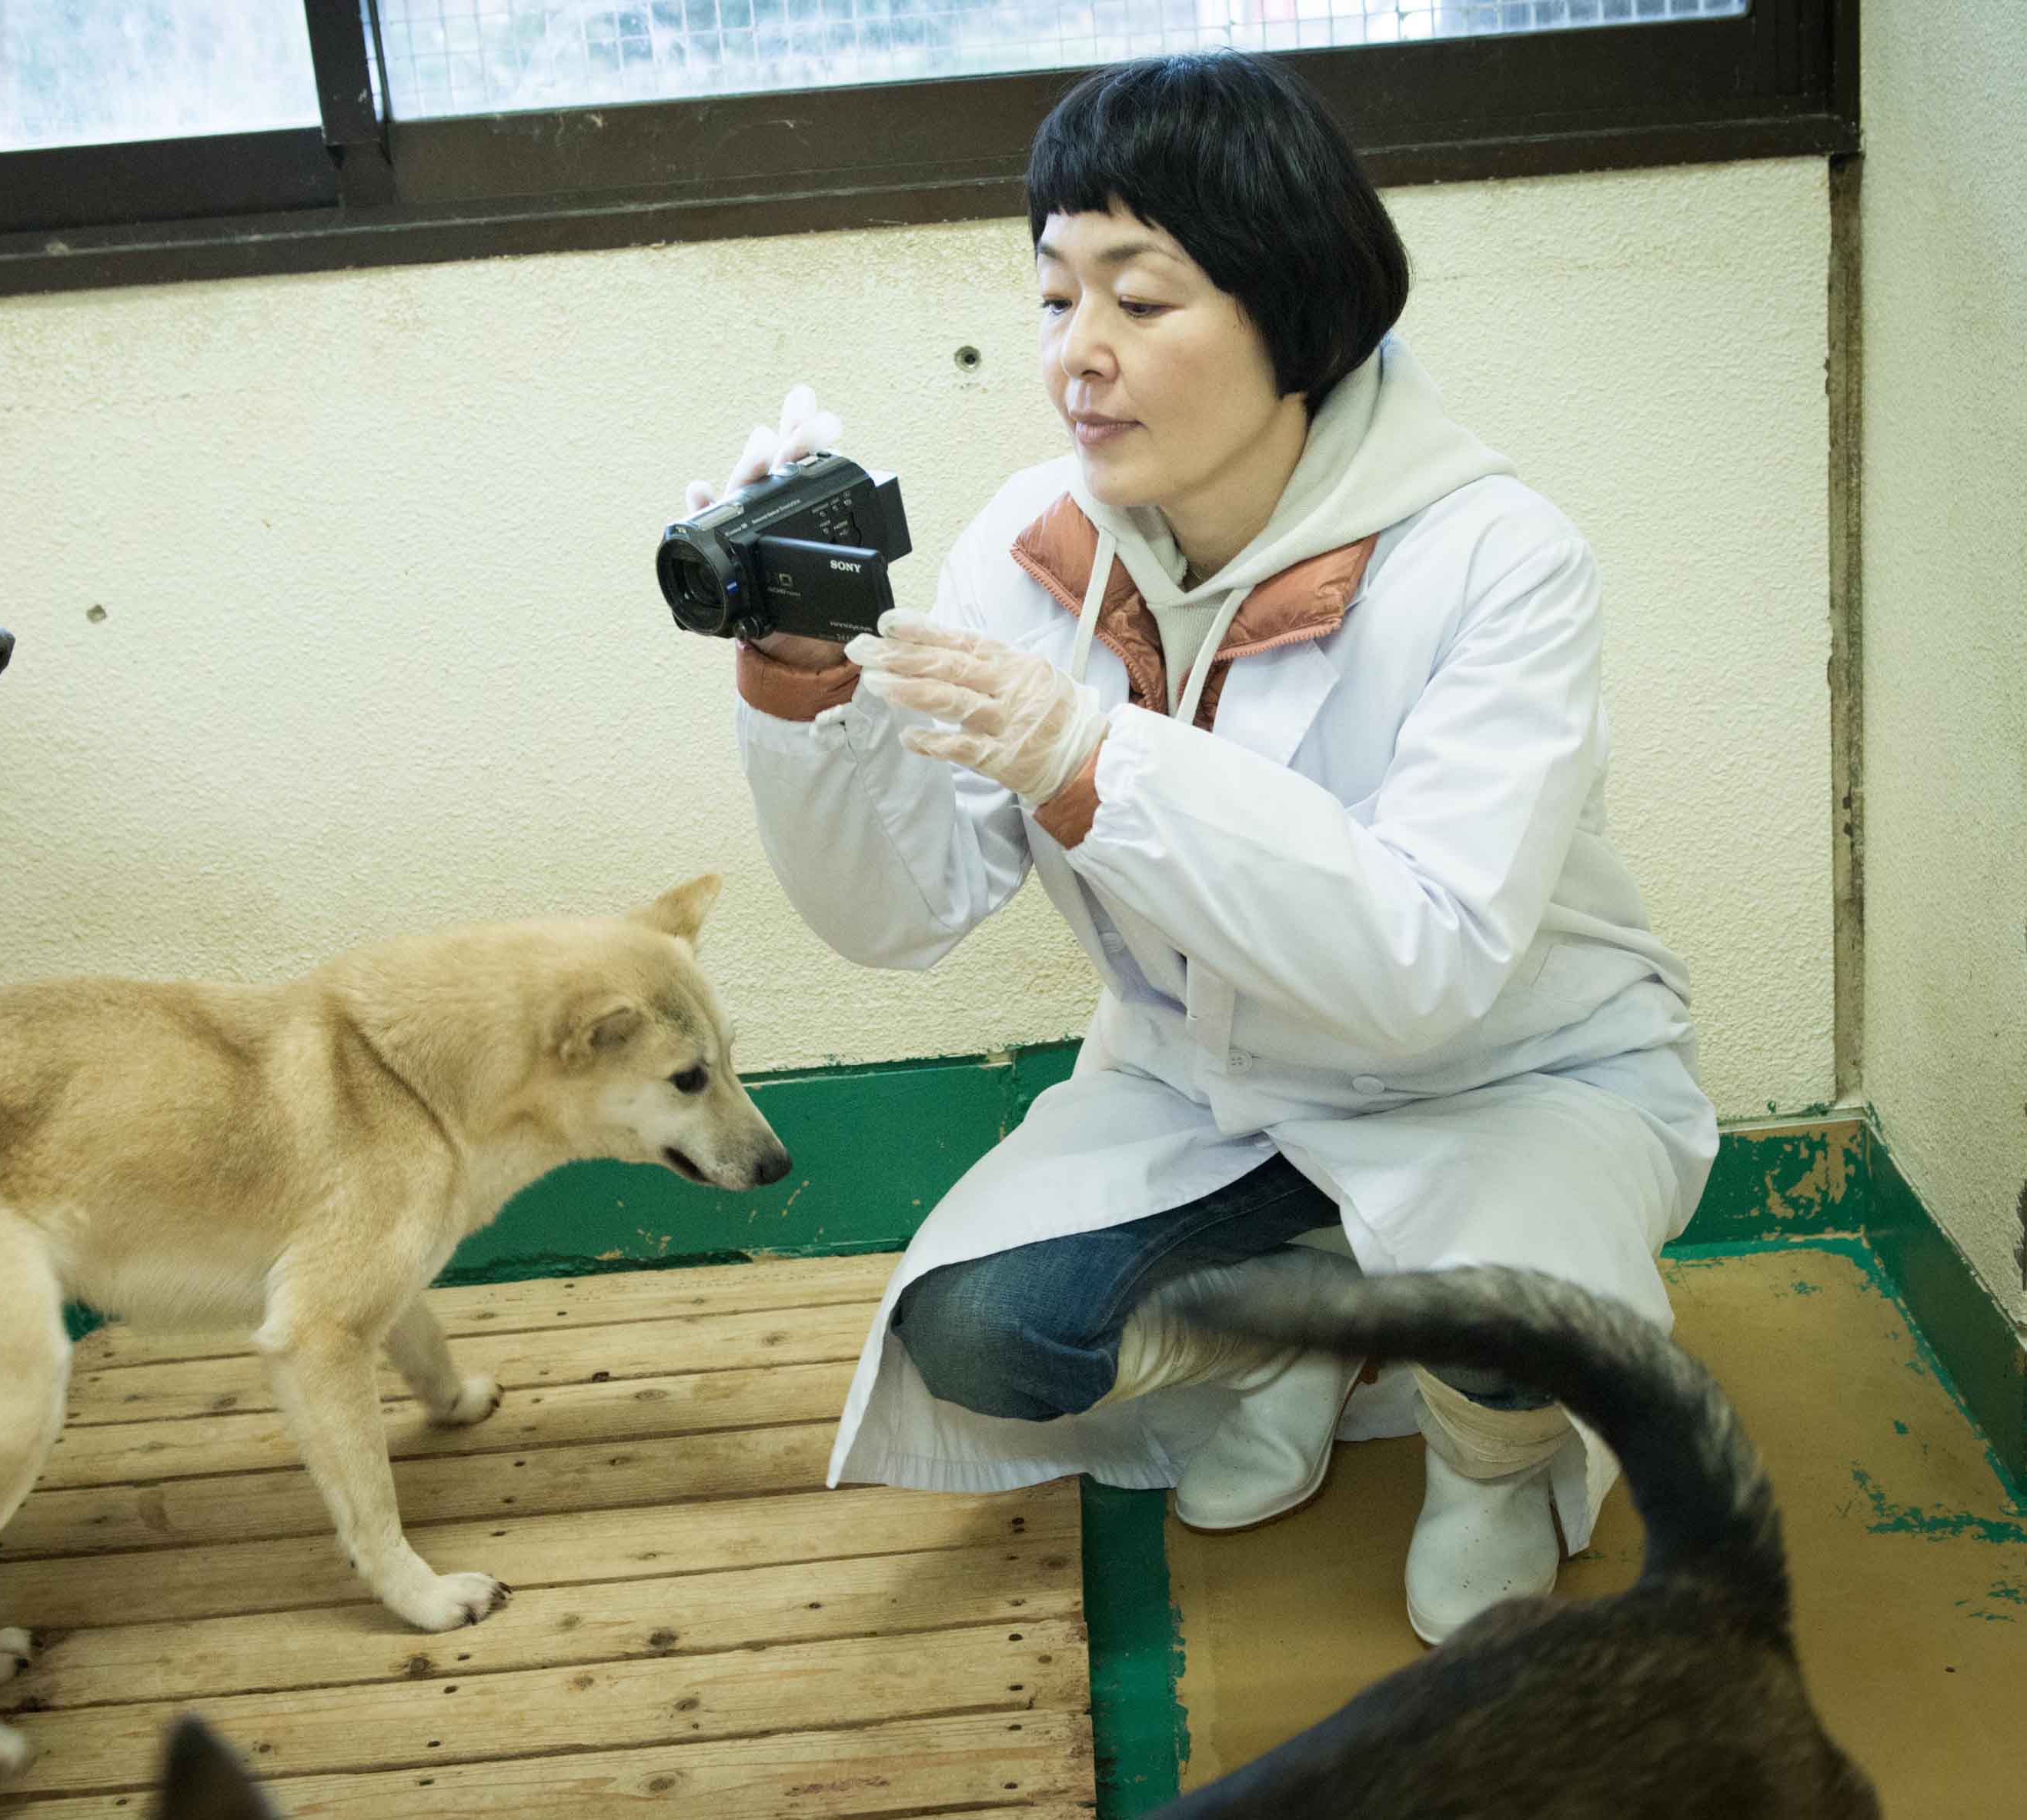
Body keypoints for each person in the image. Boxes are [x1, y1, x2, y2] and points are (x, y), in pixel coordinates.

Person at [691, 49, 1716, 1644]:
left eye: (1138, 300)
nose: (1072, 359)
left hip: (1503, 1079)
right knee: (982, 1336)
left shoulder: (1498, 560)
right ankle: (1315, 1339)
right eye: (1051, 299)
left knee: (1527, 1304)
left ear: (1293, 312)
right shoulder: (1033, 550)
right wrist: (795, 685)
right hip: (1212, 1088)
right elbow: (899, 914)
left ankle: (1489, 1453)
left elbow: (1420, 962)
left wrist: (1094, 758)